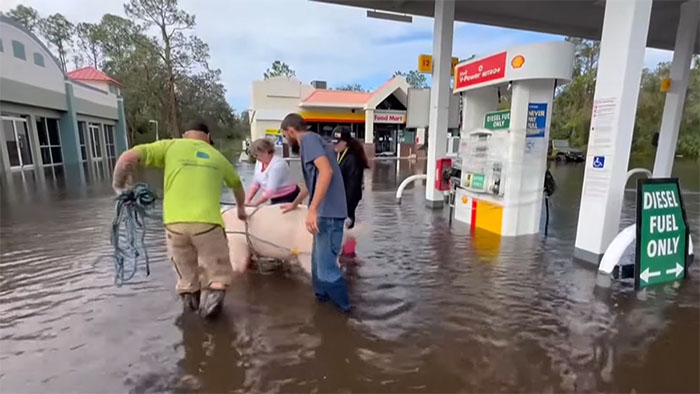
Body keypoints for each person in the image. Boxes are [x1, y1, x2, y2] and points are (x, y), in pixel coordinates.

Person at [112, 119, 247, 319]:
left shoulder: (170, 146)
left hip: (174, 226)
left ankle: (191, 324)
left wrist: (119, 187)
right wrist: (241, 209)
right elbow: (237, 185)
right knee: (218, 274)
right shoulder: (218, 157)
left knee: (186, 278)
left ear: (185, 135)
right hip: (208, 225)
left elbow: (127, 158)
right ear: (208, 137)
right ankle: (213, 321)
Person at [279, 113, 350, 312]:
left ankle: (346, 313)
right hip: (326, 213)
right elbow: (314, 181)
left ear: (291, 131)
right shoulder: (316, 142)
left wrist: (313, 209)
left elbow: (326, 172)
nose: (287, 140)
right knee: (317, 266)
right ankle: (323, 305)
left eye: (286, 136)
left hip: (328, 214)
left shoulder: (308, 141)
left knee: (326, 268)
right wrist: (295, 203)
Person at [331, 126, 369, 230]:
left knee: (345, 233)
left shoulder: (352, 159)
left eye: (338, 142)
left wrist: (346, 208)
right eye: (334, 142)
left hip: (347, 204)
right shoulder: (339, 154)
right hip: (340, 202)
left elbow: (353, 186)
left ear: (345, 142)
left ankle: (348, 244)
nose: (335, 145)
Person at [246, 138, 300, 206]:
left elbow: (270, 191)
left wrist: (255, 204)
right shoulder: (259, 162)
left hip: (288, 196)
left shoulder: (278, 165)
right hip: (274, 197)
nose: (255, 157)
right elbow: (256, 183)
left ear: (267, 152)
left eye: (257, 154)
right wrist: (247, 200)